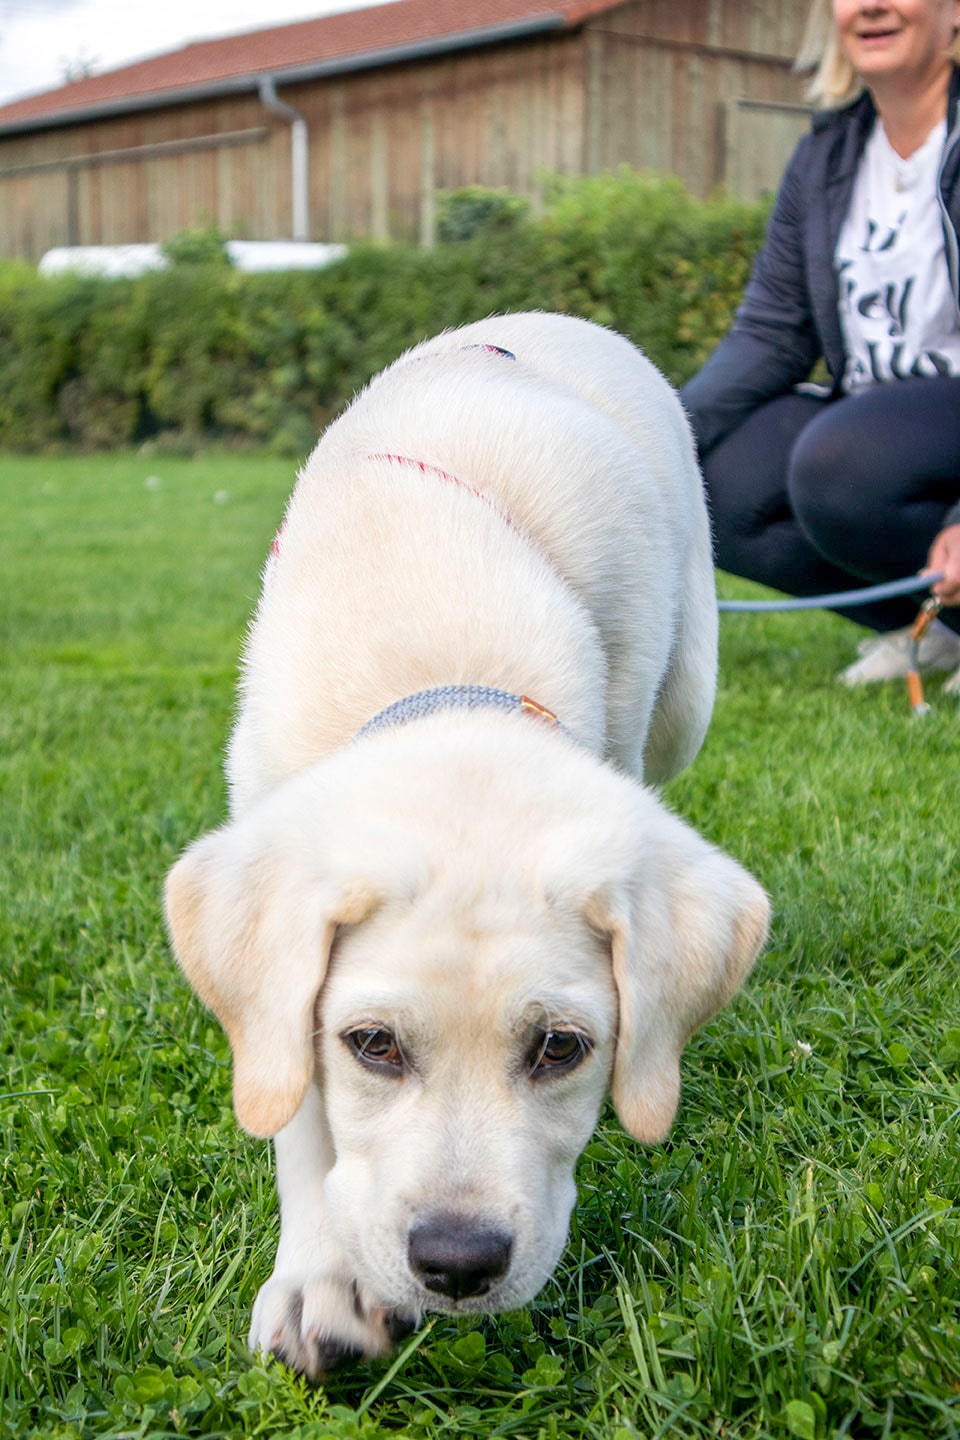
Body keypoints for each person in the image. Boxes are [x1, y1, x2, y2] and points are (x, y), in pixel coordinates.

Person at [681, 0, 960, 686]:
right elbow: (771, 332)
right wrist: (650, 438)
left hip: (932, 428)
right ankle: (941, 630)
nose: (870, 5)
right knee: (711, 480)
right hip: (879, 426)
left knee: (840, 461)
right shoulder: (826, 155)